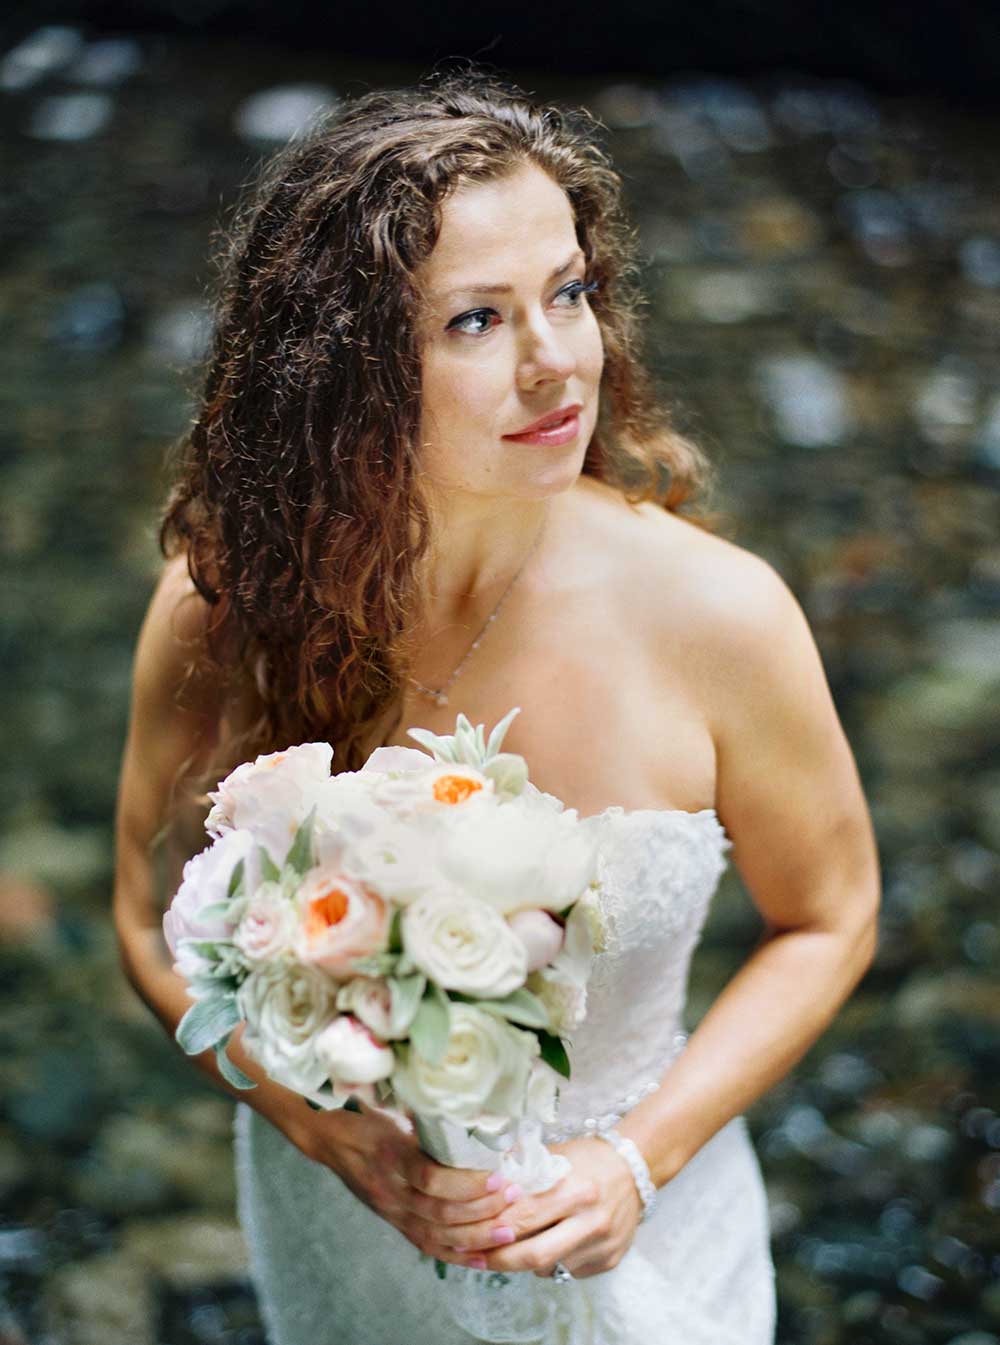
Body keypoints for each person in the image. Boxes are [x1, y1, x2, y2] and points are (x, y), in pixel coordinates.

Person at [113, 68, 881, 1344]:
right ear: (344, 367)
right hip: (352, 1230)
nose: (553, 363)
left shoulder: (719, 614)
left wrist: (635, 1163)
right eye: (475, 321)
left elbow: (833, 914)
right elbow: (146, 925)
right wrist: (325, 1132)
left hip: (644, 1219)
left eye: (568, 294)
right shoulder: (224, 608)